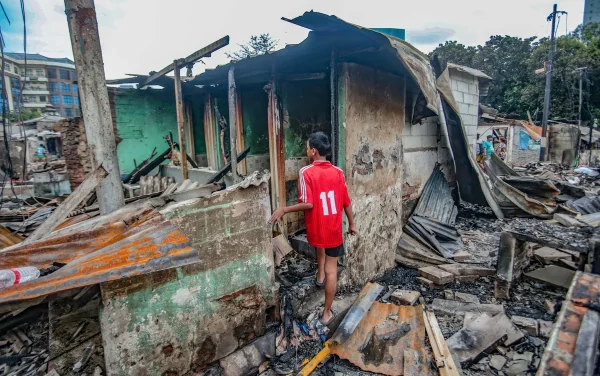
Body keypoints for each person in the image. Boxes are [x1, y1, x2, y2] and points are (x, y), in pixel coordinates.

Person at [269, 132, 357, 325]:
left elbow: (308, 204)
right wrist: (351, 224)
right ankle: (327, 313)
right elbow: (346, 202)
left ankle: (319, 277)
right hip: (334, 229)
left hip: (317, 228)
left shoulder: (306, 172)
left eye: (307, 147)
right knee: (332, 270)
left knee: (319, 247)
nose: (306, 150)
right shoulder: (338, 172)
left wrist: (284, 209)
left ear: (313, 151)